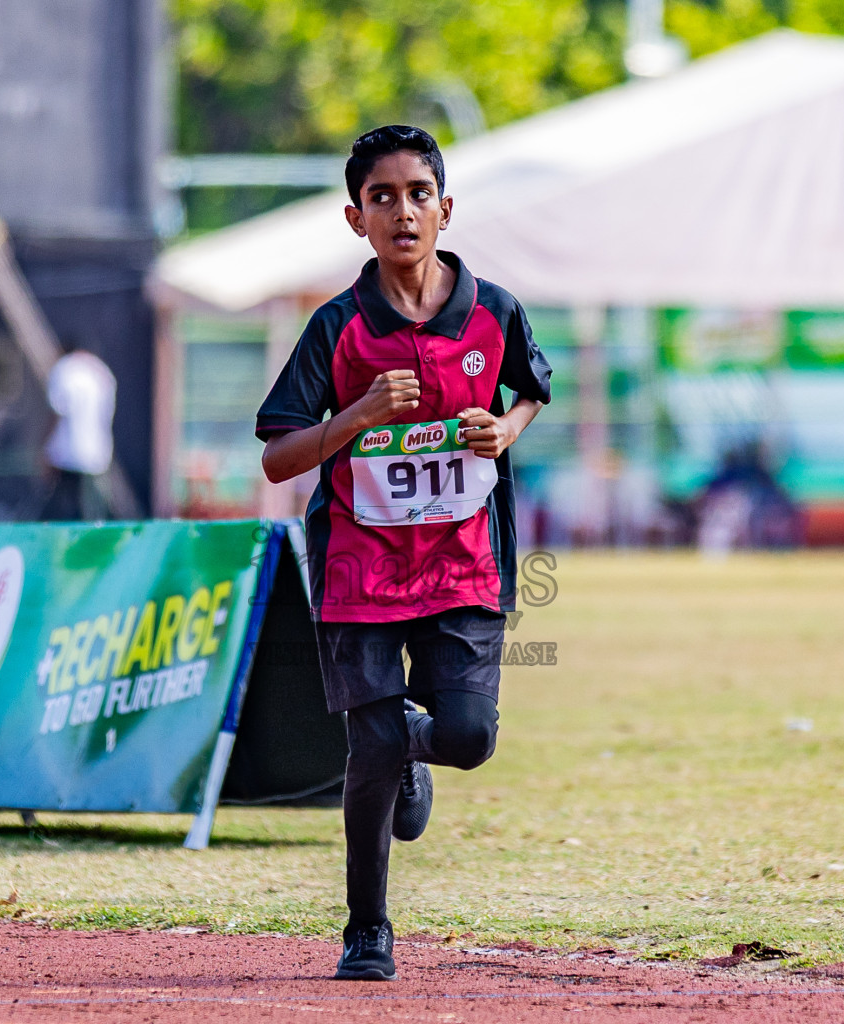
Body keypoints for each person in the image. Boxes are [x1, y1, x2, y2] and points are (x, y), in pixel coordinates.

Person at [255, 125, 552, 982]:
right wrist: (357, 418)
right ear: (357, 219)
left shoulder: (493, 310)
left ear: (445, 208)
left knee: (466, 735)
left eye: (418, 193)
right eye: (381, 198)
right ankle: (367, 928)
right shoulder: (338, 329)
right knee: (369, 747)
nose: (402, 212)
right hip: (361, 568)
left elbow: (530, 388)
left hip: (464, 561)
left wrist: (505, 429)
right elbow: (278, 456)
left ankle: (417, 748)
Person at [40, 340, 116, 521]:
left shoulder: (64, 369)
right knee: (93, 516)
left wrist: (46, 449)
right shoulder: (100, 370)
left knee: (65, 517)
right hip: (98, 456)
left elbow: (56, 413)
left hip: (67, 457)